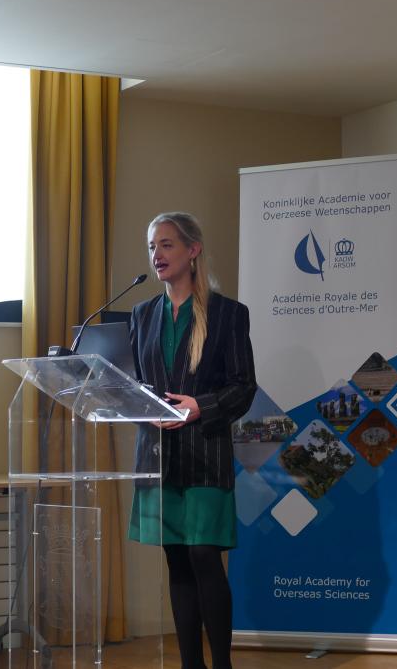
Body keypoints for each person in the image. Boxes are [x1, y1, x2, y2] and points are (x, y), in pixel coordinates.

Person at [128, 211, 256, 669]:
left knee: (203, 555)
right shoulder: (142, 314)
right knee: (178, 560)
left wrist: (200, 406)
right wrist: (141, 405)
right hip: (159, 456)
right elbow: (138, 383)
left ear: (193, 250)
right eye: (152, 247)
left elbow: (244, 387)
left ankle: (221, 664)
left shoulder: (228, 314)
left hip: (205, 452)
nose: (157, 255)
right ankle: (190, 665)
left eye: (166, 245)